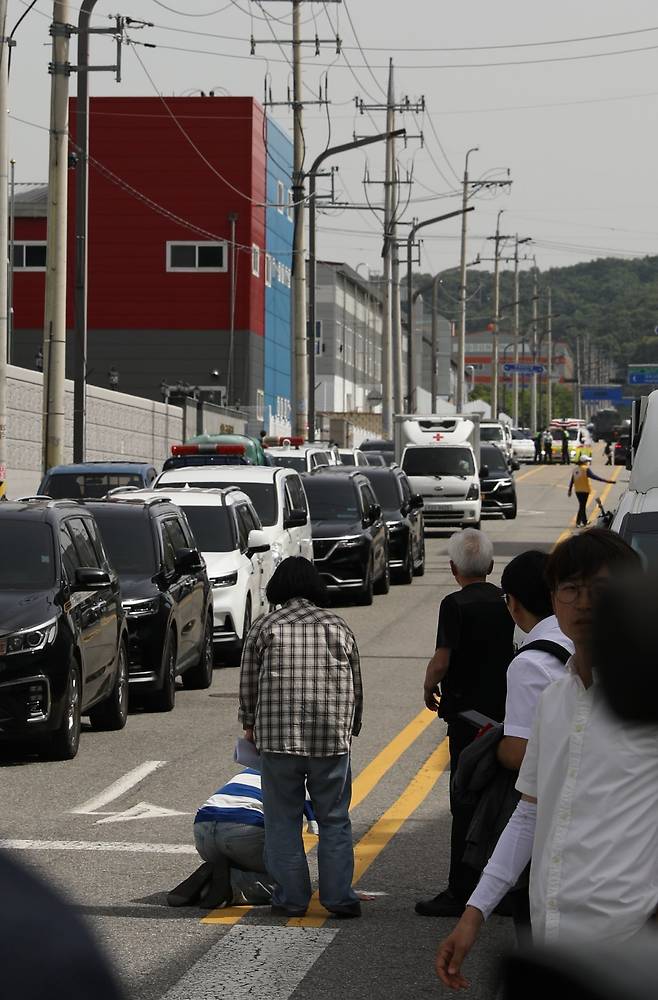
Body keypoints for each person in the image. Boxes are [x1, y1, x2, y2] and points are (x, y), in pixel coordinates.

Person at [435, 529, 657, 991]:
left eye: (600, 590)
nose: (584, 603)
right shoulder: (555, 701)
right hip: (554, 936)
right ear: (554, 601)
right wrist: (475, 913)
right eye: (570, 590)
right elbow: (529, 814)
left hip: (632, 942)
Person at [239, 556, 363, 919]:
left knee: (282, 821)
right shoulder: (338, 627)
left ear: (278, 588)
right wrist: (351, 727)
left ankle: (291, 899)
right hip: (330, 739)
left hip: (278, 739)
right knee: (334, 819)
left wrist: (250, 724)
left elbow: (248, 685)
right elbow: (356, 685)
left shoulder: (265, 627)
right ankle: (339, 898)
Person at [416, 529, 515, 918]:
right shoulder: (507, 602)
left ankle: (461, 889)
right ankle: (502, 889)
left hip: (468, 719)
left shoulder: (454, 604)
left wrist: (428, 685)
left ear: (454, 568)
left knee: (465, 798)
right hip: (508, 717)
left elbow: (443, 659)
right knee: (506, 801)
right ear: (491, 567)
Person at [495, 550, 573, 931]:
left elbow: (521, 753)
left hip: (552, 813)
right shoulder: (584, 640)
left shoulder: (529, 663)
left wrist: (494, 746)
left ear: (512, 602)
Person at [167, 767, 317, 910]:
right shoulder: (304, 776)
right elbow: (321, 830)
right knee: (294, 888)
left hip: (202, 828)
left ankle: (212, 877)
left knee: (269, 863)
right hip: (243, 830)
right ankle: (232, 885)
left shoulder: (255, 766)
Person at [567, 455, 614, 527]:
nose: (588, 462)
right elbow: (595, 477)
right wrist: (607, 481)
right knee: (582, 506)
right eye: (587, 461)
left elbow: (572, 480)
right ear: (584, 462)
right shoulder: (586, 469)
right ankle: (581, 522)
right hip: (585, 490)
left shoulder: (576, 469)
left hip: (578, 491)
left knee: (582, 505)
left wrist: (570, 490)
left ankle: (581, 522)